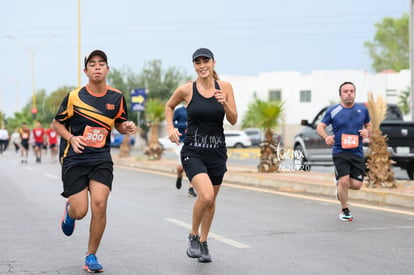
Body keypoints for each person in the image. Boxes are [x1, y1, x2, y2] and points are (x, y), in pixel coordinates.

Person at [52, 49, 137, 273]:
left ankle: (91, 256)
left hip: (101, 157)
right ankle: (70, 210)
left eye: (101, 63)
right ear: (85, 71)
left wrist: (125, 127)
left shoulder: (116, 97)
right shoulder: (74, 96)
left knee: (100, 204)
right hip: (75, 157)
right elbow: (56, 124)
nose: (97, 67)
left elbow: (119, 122)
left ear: (107, 69)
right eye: (92, 64)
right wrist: (72, 137)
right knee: (81, 211)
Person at [165, 48, 238, 263]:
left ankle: (204, 242)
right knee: (205, 196)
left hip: (217, 152)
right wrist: (170, 128)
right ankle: (193, 235)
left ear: (214, 63)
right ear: (194, 66)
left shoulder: (225, 87)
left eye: (205, 61)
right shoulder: (187, 89)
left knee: (211, 201)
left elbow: (233, 119)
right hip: (193, 151)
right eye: (197, 62)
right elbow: (169, 106)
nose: (202, 65)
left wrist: (224, 102)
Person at [316, 81, 371, 222]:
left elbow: (369, 125)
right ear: (340, 94)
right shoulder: (333, 110)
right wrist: (326, 137)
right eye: (345, 91)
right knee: (345, 180)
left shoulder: (362, 110)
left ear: (355, 93)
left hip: (357, 152)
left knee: (357, 185)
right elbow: (320, 127)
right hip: (340, 151)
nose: (349, 93)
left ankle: (339, 184)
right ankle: (345, 210)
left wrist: (366, 131)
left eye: (351, 91)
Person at [173, 103, 197, 197]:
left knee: (193, 165)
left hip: (195, 140)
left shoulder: (197, 108)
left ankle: (191, 188)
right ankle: (179, 175)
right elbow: (172, 122)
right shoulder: (179, 110)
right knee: (181, 167)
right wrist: (184, 125)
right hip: (182, 140)